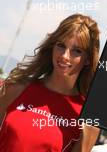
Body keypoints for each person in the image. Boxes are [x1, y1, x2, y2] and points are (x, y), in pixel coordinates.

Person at [0, 14, 100, 151]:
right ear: (52, 47)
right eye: (61, 46)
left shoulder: (86, 120)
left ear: (88, 59)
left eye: (76, 51)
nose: (65, 56)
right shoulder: (15, 89)